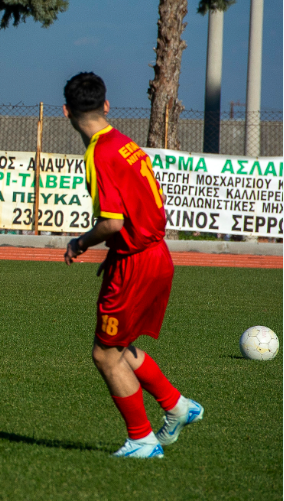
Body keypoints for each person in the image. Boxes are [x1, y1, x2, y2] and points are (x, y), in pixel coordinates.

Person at [62, 72, 202, 459]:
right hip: (155, 254)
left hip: (136, 264)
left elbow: (112, 223)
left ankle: (141, 440)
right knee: (121, 346)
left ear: (66, 111)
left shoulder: (99, 153)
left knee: (105, 355)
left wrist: (80, 242)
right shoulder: (125, 143)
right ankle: (176, 405)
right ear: (106, 105)